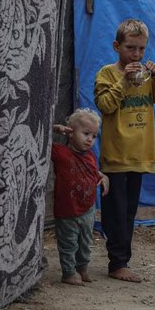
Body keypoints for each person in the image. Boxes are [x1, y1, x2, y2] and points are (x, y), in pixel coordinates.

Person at [94, 18, 155, 283]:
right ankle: (117, 262)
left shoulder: (147, 76)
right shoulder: (107, 74)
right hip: (115, 156)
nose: (137, 54)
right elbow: (105, 105)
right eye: (131, 48)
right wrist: (123, 80)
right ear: (116, 46)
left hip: (140, 156)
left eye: (142, 49)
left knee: (129, 211)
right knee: (115, 212)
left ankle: (121, 261)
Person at [51, 108, 110, 286]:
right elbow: (38, 137)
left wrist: (103, 176)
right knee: (68, 243)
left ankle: (82, 267)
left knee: (85, 241)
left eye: (94, 135)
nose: (90, 139)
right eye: (85, 133)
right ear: (70, 132)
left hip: (87, 208)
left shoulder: (90, 156)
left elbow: (92, 172)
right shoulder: (60, 153)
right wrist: (56, 129)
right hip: (67, 209)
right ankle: (69, 272)